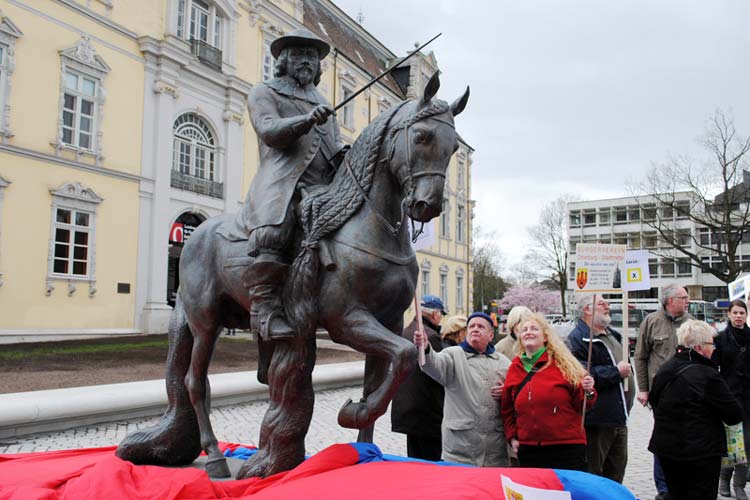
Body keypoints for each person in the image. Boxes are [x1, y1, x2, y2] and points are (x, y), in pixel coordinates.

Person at [239, 28, 347, 341]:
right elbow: (269, 130)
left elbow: (334, 148)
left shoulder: (323, 102)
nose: (306, 62)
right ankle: (265, 308)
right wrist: (307, 120)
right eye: (299, 55)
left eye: (311, 56)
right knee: (274, 231)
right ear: (284, 60)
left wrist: (348, 156)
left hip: (322, 189)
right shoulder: (265, 92)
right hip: (283, 181)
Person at [648, 320, 742, 500]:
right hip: (701, 452)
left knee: (676, 494)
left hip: (667, 448)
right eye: (711, 344)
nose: (714, 348)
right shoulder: (708, 375)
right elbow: (733, 414)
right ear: (699, 347)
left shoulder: (665, 369)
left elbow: (654, 400)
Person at [413, 311, 510, 466]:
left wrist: (507, 392)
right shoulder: (453, 355)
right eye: (471, 326)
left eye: (481, 326)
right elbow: (433, 365)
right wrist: (425, 348)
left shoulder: (504, 362)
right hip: (462, 449)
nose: (475, 329)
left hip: (494, 451)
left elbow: (517, 393)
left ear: (491, 335)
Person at [502, 314, 596, 471]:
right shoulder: (515, 368)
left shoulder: (564, 365)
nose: (528, 332)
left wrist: (589, 391)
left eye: (534, 329)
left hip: (566, 447)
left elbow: (583, 404)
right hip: (529, 448)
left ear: (545, 337)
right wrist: (512, 437)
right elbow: (507, 409)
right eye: (524, 330)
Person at [566, 294, 634, 483]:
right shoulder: (578, 339)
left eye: (608, 303)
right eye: (603, 303)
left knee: (616, 473)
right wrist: (615, 372)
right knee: (595, 475)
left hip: (619, 416)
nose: (608, 307)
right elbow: (579, 373)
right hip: (597, 419)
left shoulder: (614, 334)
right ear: (587, 309)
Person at [634, 283, 692, 500]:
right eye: (683, 297)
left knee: (686, 437)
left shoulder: (691, 323)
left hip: (687, 392)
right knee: (663, 438)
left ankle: (683, 482)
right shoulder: (651, 321)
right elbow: (640, 357)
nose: (688, 301)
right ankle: (664, 488)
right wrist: (643, 389)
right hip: (661, 394)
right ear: (670, 301)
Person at [391, 295, 446, 461]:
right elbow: (438, 371)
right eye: (441, 315)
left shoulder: (406, 331)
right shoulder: (430, 336)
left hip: (408, 408)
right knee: (431, 460)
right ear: (435, 314)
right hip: (427, 410)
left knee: (414, 458)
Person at [713, 300, 750, 500]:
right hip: (728, 397)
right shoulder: (720, 339)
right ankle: (724, 480)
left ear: (746, 315)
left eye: (741, 312)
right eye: (735, 312)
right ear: (728, 314)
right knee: (730, 442)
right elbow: (713, 367)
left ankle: (740, 485)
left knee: (747, 442)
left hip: (748, 398)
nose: (738, 316)